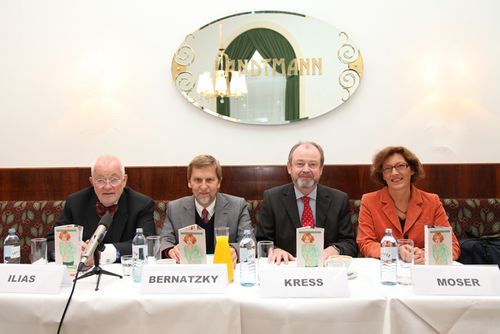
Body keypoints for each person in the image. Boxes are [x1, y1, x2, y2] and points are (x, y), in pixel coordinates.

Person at [256, 141, 358, 264]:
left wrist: (334, 249)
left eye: (313, 164)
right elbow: (261, 241)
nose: (306, 169)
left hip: (325, 270)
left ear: (321, 169)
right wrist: (274, 250)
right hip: (286, 268)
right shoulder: (272, 198)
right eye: (300, 164)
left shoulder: (339, 199)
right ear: (289, 168)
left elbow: (350, 243)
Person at [356, 146, 460, 264]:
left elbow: (452, 246)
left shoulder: (432, 201)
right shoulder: (369, 201)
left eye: (400, 166)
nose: (394, 173)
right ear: (383, 175)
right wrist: (395, 251)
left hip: (422, 270)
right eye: (387, 168)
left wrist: (427, 255)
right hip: (387, 269)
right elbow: (365, 243)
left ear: (412, 169)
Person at [46, 155, 155, 265]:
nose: (107, 186)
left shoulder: (142, 204)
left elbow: (148, 244)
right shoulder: (76, 203)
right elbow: (50, 242)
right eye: (100, 180)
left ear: (124, 180)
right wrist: (73, 250)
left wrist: (102, 254)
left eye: (114, 179)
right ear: (92, 181)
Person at [159, 154, 252, 266]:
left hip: (224, 271)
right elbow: (164, 241)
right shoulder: (174, 208)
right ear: (189, 182)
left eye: (209, 180)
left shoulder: (238, 206)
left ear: (219, 182)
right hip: (189, 274)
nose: (203, 186)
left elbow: (249, 241)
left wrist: (235, 250)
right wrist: (170, 251)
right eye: (198, 180)